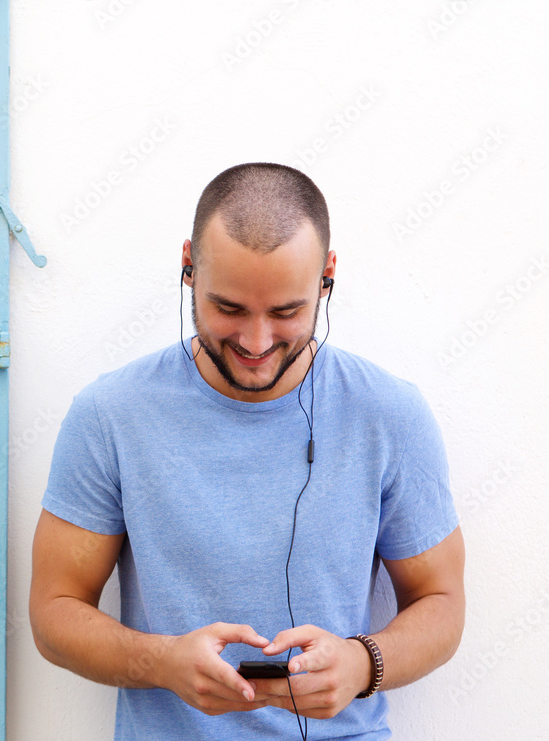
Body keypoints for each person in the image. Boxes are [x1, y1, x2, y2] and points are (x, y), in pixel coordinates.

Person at [28, 162, 465, 740]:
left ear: (327, 277)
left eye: (286, 312)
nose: (256, 343)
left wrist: (363, 664)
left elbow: (442, 602)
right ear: (188, 266)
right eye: (229, 308)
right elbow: (54, 611)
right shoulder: (110, 415)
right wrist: (162, 662)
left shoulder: (389, 414)